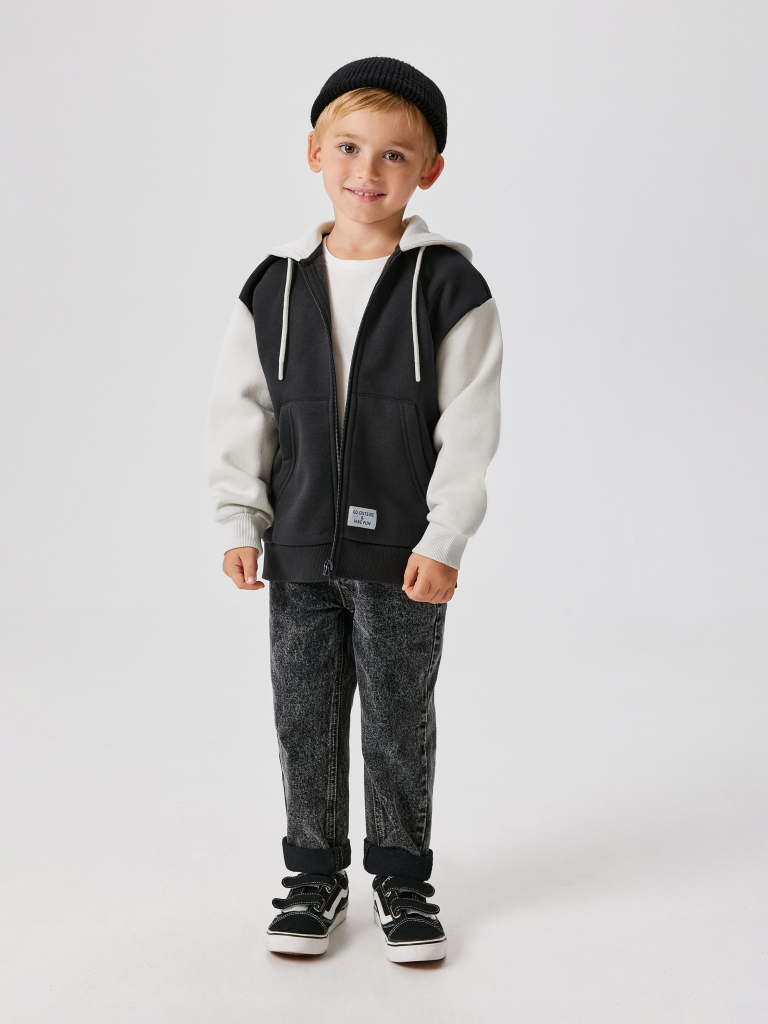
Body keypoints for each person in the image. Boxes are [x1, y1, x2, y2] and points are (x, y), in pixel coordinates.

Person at [205, 56, 504, 963]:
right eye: (347, 147)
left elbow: (470, 424)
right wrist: (239, 517)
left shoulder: (448, 287)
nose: (366, 171)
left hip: (403, 554)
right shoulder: (274, 285)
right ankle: (314, 877)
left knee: (398, 719)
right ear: (314, 152)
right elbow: (242, 408)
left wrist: (446, 536)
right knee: (303, 715)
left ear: (429, 171)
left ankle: (403, 882)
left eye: (393, 155)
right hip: (297, 547)